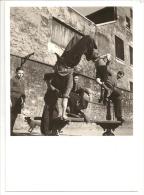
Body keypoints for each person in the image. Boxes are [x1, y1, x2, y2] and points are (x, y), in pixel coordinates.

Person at [53, 34, 98, 120]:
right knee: (87, 39)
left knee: (67, 95)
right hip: (66, 65)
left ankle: (66, 114)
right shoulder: (75, 54)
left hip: (67, 68)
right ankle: (65, 113)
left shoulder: (76, 56)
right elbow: (85, 40)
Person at [94, 55, 125, 122]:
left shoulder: (116, 82)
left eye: (121, 77)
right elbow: (106, 67)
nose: (120, 77)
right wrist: (108, 60)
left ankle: (118, 116)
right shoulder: (111, 73)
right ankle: (110, 119)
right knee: (118, 94)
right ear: (119, 74)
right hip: (107, 91)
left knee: (118, 98)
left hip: (111, 92)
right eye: (120, 76)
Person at [11, 67, 26, 135]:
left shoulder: (22, 81)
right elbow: (8, 89)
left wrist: (23, 101)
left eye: (22, 73)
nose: (21, 75)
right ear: (16, 73)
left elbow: (23, 92)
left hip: (19, 100)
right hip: (12, 99)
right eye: (19, 73)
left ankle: (10, 131)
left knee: (15, 115)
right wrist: (9, 100)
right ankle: (8, 131)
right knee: (11, 115)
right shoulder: (12, 79)